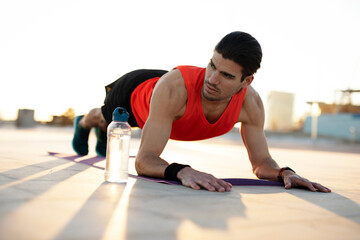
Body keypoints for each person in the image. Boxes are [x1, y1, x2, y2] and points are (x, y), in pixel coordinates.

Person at [72, 31, 331, 193]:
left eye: (226, 75)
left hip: (165, 101)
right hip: (137, 91)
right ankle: (82, 124)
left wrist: (286, 172)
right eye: (211, 65)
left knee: (114, 126)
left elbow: (262, 163)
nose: (212, 79)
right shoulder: (174, 89)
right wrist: (183, 171)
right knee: (105, 118)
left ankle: (104, 134)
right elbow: (144, 161)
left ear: (246, 82)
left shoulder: (251, 105)